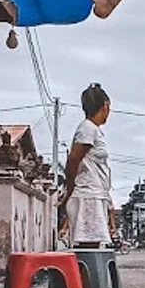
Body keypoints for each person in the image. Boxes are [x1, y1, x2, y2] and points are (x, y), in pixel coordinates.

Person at [59, 83, 115, 248]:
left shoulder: (93, 130)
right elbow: (73, 159)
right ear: (105, 105)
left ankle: (86, 274)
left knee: (92, 246)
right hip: (87, 196)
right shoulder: (87, 129)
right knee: (88, 247)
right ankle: (85, 275)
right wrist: (69, 189)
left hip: (94, 195)